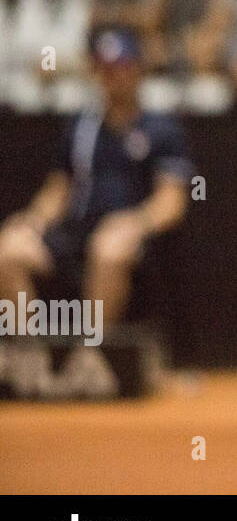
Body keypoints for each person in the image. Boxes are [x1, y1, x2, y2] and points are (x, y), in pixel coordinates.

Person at [0, 26, 192, 326]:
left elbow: (172, 200)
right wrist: (35, 219)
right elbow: (59, 189)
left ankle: (92, 355)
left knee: (108, 250)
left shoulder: (160, 128)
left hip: (127, 233)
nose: (113, 77)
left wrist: (136, 223)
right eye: (106, 69)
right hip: (74, 231)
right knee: (9, 248)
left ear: (138, 70)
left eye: (121, 68)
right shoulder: (82, 126)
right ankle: (32, 355)